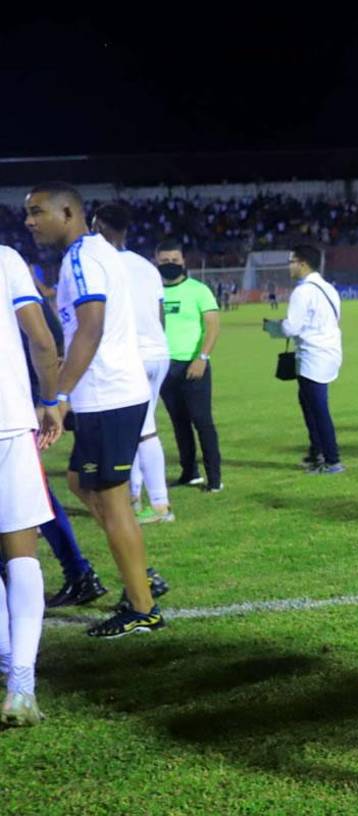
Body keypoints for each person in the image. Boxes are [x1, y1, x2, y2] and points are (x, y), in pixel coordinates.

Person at [24, 182, 164, 638]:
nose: (29, 221)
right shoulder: (92, 252)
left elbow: (91, 327)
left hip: (108, 394)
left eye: (37, 212)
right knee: (79, 481)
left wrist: (58, 396)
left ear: (68, 212)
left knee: (111, 496)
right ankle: (139, 572)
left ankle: (142, 606)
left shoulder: (83, 257)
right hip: (106, 393)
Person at [19, 261, 109, 608]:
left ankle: (79, 572)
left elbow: (51, 344)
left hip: (16, 408)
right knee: (31, 494)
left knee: (36, 494)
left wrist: (47, 401)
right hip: (17, 405)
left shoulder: (21, 291)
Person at [1, 242, 63, 723]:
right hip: (7, 422)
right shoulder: (5, 259)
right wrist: (51, 398)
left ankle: (8, 665)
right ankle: (21, 683)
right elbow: (40, 339)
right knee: (21, 551)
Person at [92, 205, 174, 524]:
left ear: (98, 227)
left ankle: (156, 505)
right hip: (158, 353)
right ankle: (142, 499)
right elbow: (160, 314)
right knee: (143, 425)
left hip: (130, 354)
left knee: (140, 430)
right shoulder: (146, 265)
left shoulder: (103, 264)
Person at [264, 245, 344, 474]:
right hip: (329, 351)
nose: (289, 266)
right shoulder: (327, 288)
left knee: (317, 408)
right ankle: (317, 452)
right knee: (309, 403)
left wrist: (274, 327)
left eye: (291, 261)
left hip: (313, 354)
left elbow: (291, 327)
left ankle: (332, 460)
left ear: (302, 263)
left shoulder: (302, 291)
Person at [155, 240, 223, 492]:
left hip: (194, 365)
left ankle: (214, 479)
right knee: (179, 422)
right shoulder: (155, 292)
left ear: (183, 261)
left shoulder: (198, 290)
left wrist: (201, 358)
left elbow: (213, 326)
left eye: (174, 260)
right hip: (164, 366)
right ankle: (189, 472)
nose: (170, 265)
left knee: (202, 421)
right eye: (164, 261)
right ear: (156, 262)